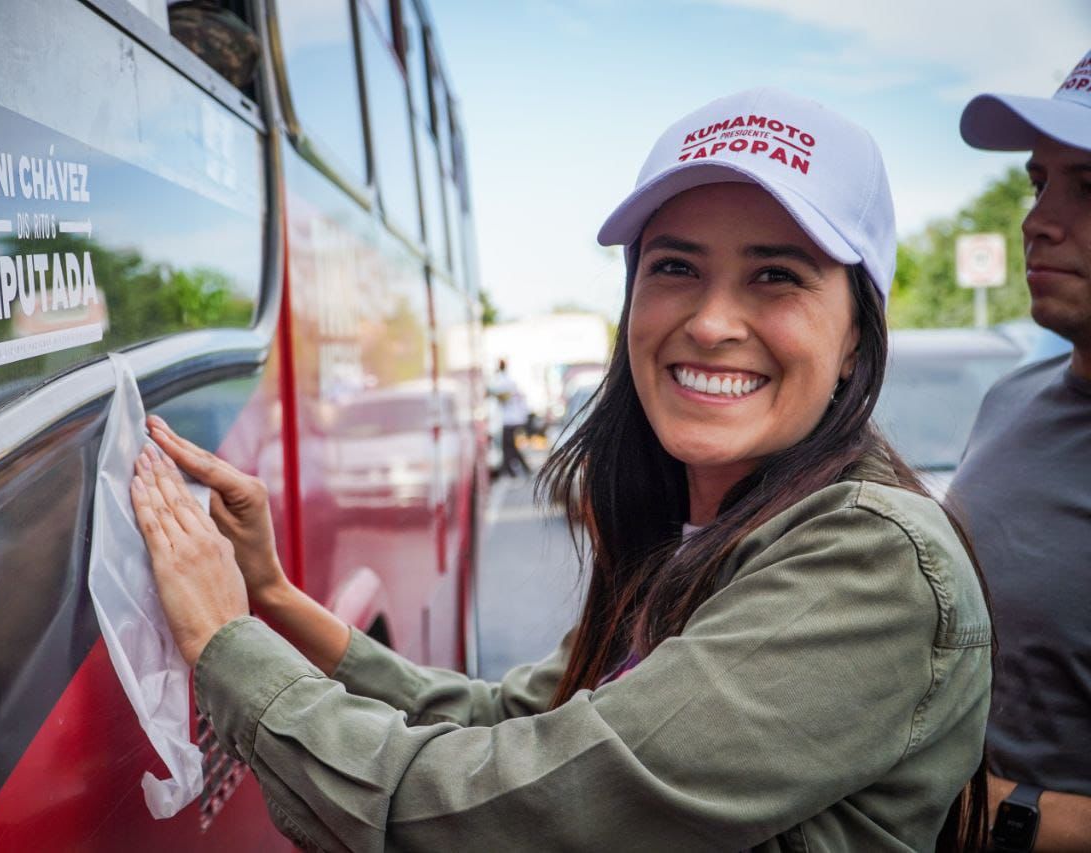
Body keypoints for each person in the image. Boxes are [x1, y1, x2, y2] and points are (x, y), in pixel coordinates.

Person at [130, 89, 994, 850]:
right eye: (675, 268)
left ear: (855, 340)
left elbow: (508, 815)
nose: (710, 321)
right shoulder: (712, 526)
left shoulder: (870, 559)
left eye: (776, 275)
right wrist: (273, 598)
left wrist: (224, 646)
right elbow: (514, 721)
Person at [949, 51, 1091, 852]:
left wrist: (995, 814)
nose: (1038, 219)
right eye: (1041, 181)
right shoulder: (1009, 399)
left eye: (1090, 188)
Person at [489, 358, 532, 477]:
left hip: (509, 419)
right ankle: (511, 470)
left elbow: (503, 397)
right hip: (514, 418)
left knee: (509, 447)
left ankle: (517, 470)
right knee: (509, 446)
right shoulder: (508, 380)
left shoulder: (502, 381)